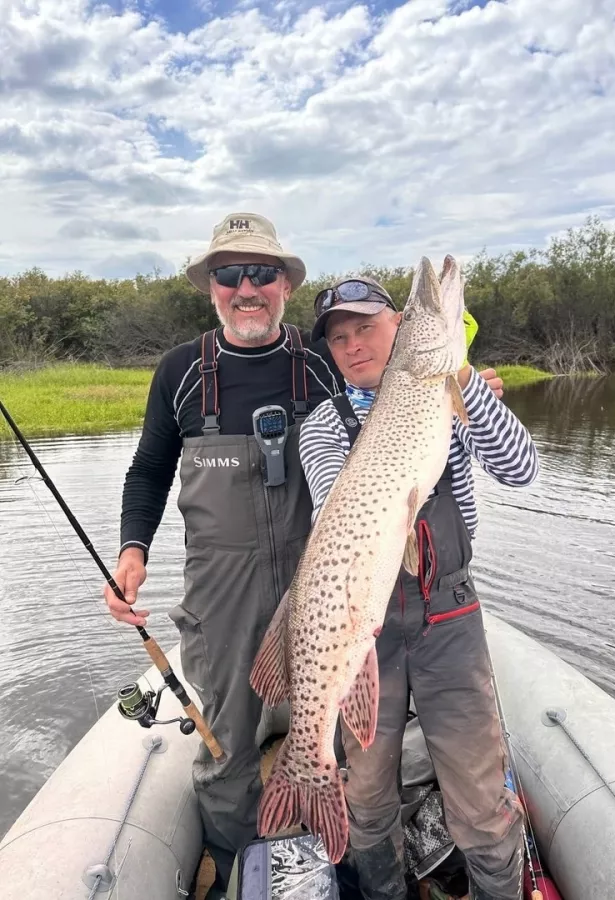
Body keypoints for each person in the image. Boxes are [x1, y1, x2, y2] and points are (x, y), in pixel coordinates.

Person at [103, 213, 343, 899]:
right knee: (226, 745)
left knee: (343, 730)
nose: (246, 288)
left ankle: (342, 859)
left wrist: (464, 388)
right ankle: (239, 871)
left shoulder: (325, 361)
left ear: (285, 285)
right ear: (211, 287)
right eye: (229, 274)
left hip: (320, 585)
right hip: (219, 592)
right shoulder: (180, 371)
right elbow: (149, 469)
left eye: (260, 272)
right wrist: (132, 551)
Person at [298, 275, 540, 900]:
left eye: (366, 327)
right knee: (367, 792)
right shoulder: (322, 424)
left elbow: (521, 468)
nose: (353, 345)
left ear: (400, 328)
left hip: (450, 618)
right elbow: (332, 511)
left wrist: (464, 382)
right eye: (339, 338)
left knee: (481, 800)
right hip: (367, 621)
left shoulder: (448, 397)